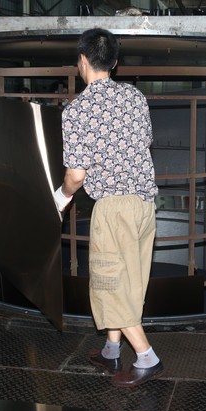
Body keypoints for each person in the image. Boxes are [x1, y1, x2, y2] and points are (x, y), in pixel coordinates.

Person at [53, 28, 163, 388]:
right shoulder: (135, 97)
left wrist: (61, 197)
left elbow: (76, 175)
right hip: (145, 205)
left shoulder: (77, 110)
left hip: (114, 209)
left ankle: (146, 358)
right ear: (114, 62)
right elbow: (143, 142)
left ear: (82, 61)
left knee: (109, 284)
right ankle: (112, 351)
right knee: (130, 281)